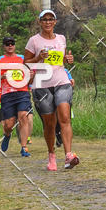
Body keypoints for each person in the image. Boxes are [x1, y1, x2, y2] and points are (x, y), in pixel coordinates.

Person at [24, 11, 77, 171]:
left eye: (50, 19)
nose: (48, 22)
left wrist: (68, 60)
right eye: (44, 20)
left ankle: (69, 155)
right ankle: (51, 154)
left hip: (61, 81)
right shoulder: (33, 41)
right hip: (41, 85)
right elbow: (26, 63)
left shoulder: (61, 38)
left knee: (65, 117)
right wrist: (38, 57)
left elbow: (60, 61)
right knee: (49, 124)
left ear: (55, 22)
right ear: (40, 22)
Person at [0, 36, 32, 158]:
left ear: (15, 45)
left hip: (22, 92)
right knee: (9, 124)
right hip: (7, 94)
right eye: (7, 44)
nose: (10, 46)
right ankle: (7, 135)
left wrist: (30, 75)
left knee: (23, 117)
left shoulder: (22, 59)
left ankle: (24, 147)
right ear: (3, 46)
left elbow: (29, 74)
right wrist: (3, 77)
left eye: (12, 43)